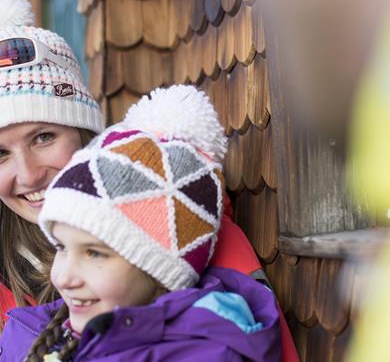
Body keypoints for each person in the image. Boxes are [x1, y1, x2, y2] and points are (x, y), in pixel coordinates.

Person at [0, 85, 281, 361]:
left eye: (44, 137)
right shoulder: (32, 329)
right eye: (61, 246)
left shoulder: (208, 341)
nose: (62, 277)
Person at [0, 0, 104, 323]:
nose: (28, 175)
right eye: (0, 154)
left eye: (43, 137)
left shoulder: (178, 213)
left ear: (83, 132)